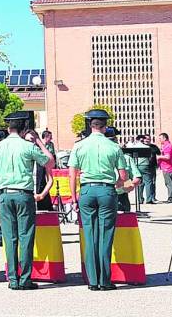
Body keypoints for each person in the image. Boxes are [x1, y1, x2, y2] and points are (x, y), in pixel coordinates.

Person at [0, 112, 54, 290]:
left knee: (10, 237)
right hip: (24, 195)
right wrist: (38, 141)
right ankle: (25, 279)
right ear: (24, 130)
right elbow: (50, 162)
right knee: (26, 236)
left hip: (5, 195)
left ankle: (12, 279)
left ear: (8, 129)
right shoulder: (28, 146)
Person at [68, 109, 128, 291]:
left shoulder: (79, 146)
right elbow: (123, 175)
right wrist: (114, 185)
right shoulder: (114, 147)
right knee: (105, 234)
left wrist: (73, 197)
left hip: (86, 190)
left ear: (90, 125)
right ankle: (105, 279)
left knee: (89, 234)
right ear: (105, 126)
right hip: (106, 190)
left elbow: (72, 174)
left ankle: (92, 280)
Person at [35, 130, 56, 211]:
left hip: (45, 166)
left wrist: (42, 195)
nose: (51, 139)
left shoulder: (50, 145)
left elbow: (52, 158)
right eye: (50, 137)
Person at [157, 133, 172, 203]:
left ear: (164, 138)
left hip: (168, 168)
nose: (159, 140)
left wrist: (158, 157)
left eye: (160, 138)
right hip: (170, 168)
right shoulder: (166, 145)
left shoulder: (167, 146)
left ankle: (171, 198)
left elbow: (167, 157)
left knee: (169, 183)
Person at [144, 135, 160, 203]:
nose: (147, 140)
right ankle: (140, 198)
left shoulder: (153, 146)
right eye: (146, 139)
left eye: (148, 139)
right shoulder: (141, 147)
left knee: (152, 183)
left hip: (152, 166)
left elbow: (158, 153)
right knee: (141, 184)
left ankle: (152, 197)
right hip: (143, 166)